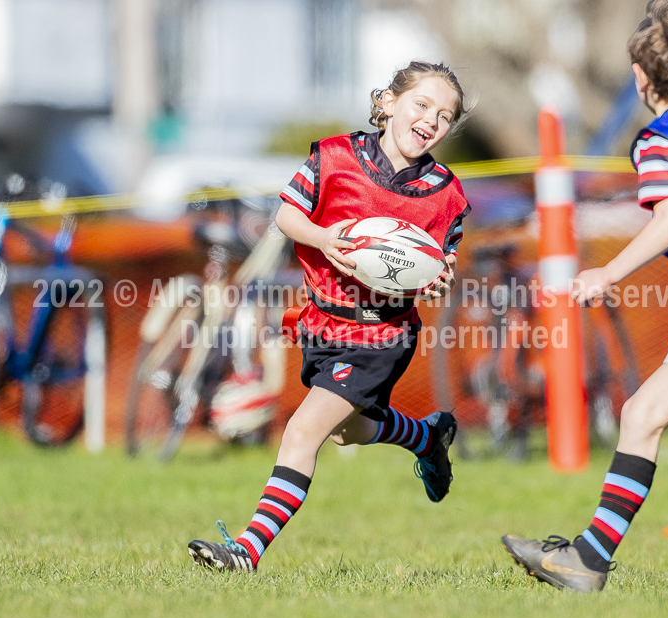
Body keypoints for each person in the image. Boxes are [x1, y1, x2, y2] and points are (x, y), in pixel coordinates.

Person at [502, 0, 668, 592]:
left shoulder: (660, 140)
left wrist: (606, 274)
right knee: (641, 415)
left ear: (641, 77)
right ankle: (586, 562)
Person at [188, 61, 471, 571]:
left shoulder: (447, 195)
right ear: (387, 103)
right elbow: (286, 215)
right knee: (349, 431)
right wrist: (323, 238)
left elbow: (440, 264)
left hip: (381, 333)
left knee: (302, 431)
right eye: (422, 105)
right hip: (321, 322)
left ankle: (246, 552)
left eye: (445, 115)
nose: (432, 120)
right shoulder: (334, 157)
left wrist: (439, 277)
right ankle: (428, 438)